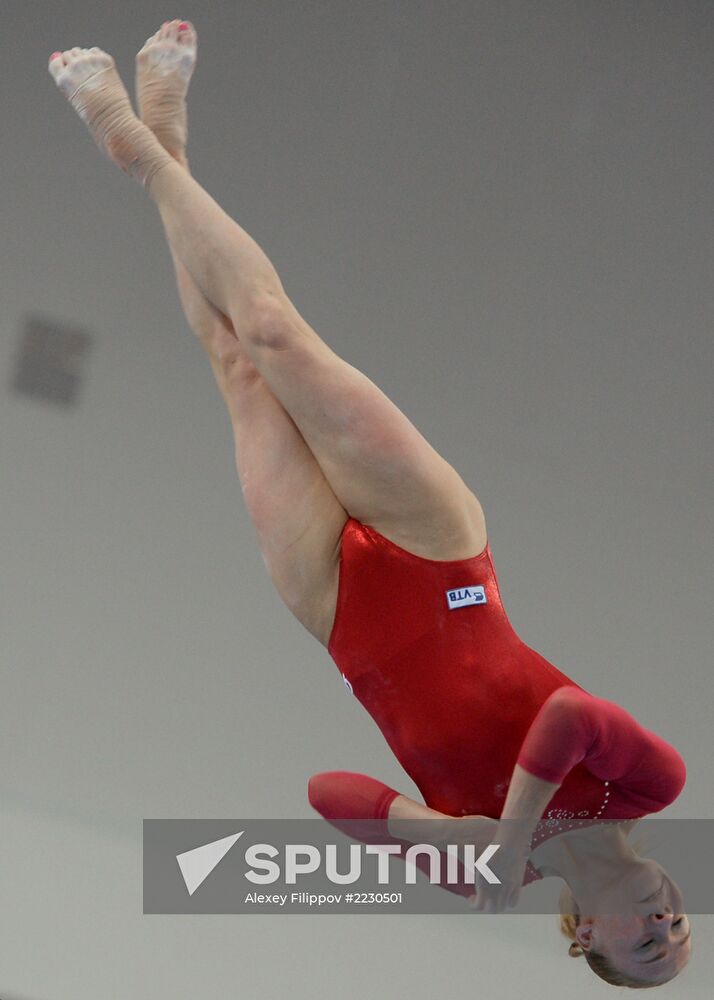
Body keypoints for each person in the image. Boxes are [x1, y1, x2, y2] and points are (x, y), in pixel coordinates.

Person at [48, 21, 691, 987]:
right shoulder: (651, 786)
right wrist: (510, 836)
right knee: (273, 333)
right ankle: (132, 142)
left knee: (233, 366)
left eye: (648, 948)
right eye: (683, 935)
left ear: (585, 937)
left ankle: (167, 137)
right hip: (443, 554)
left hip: (338, 612)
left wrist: (438, 831)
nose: (670, 925)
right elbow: (566, 715)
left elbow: (328, 792)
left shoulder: (471, 875)